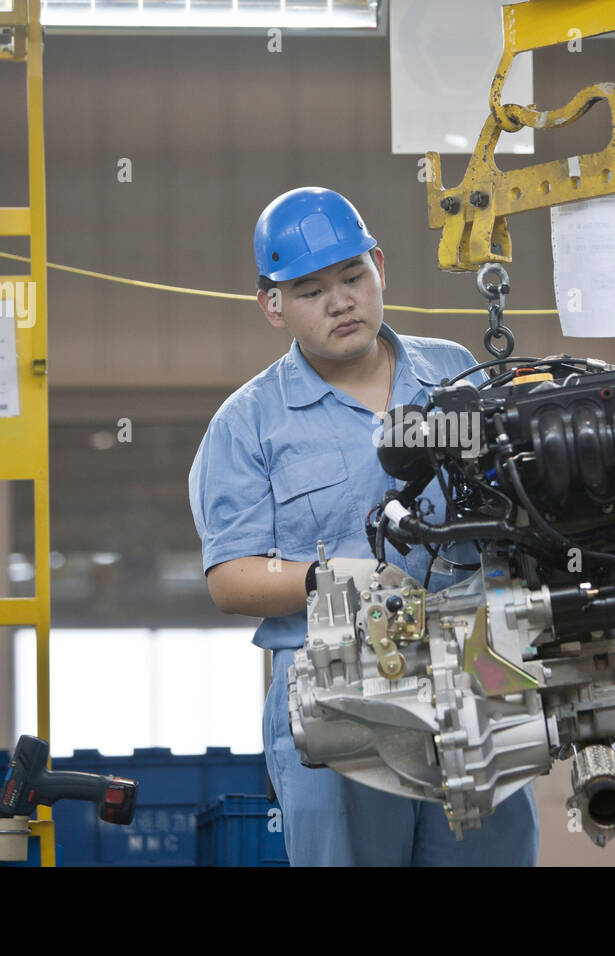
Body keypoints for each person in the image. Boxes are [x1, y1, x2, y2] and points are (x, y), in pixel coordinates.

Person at [188, 186, 540, 866]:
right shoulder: (248, 423)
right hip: (337, 684)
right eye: (311, 289)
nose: (341, 301)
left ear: (379, 265)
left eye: (353, 276)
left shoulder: (455, 373)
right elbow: (231, 579)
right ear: (273, 306)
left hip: (480, 664)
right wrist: (337, 579)